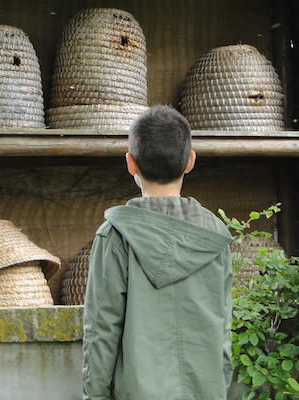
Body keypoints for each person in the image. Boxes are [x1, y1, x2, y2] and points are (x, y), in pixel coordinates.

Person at [82, 105, 233, 400]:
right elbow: (223, 326)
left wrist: (95, 395)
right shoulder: (214, 235)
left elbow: (101, 329)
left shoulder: (115, 235)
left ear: (131, 163)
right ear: (190, 161)